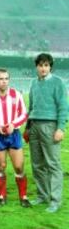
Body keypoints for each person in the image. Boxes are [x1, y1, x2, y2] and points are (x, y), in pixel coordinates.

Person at [0, 69, 30, 208]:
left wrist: (14, 124)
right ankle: (2, 196)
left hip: (13, 135)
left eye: (6, 78)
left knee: (19, 167)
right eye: (1, 79)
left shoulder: (16, 94)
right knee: (1, 166)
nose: (4, 81)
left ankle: (23, 197)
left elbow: (23, 114)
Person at [26, 53, 68, 213]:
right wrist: (28, 127)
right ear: (36, 67)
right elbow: (31, 106)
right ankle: (42, 196)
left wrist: (60, 128)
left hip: (50, 126)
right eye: (40, 65)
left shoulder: (58, 83)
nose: (43, 68)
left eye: (46, 65)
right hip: (34, 125)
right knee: (37, 164)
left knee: (53, 164)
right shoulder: (33, 83)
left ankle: (55, 200)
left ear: (50, 67)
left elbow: (63, 107)